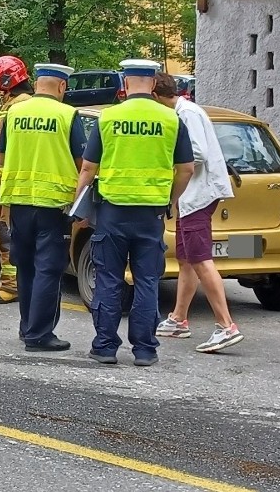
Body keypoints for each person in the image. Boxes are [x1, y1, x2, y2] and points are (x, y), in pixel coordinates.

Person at [75, 59, 195, 366]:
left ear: (125, 84)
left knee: (109, 279)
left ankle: (104, 346)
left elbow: (88, 167)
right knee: (146, 281)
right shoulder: (170, 119)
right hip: (150, 213)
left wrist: (79, 206)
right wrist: (170, 199)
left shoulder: (108, 117)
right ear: (154, 84)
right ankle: (144, 349)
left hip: (112, 212)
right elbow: (186, 169)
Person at [152, 72, 244, 352]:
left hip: (198, 195)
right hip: (192, 196)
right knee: (187, 259)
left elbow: (197, 154)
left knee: (201, 259)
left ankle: (226, 326)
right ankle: (179, 319)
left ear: (156, 95)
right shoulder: (185, 111)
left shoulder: (186, 115)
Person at [0, 63, 86, 350]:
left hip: (19, 201)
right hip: (53, 204)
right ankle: (40, 334)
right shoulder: (67, 114)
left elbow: (1, 155)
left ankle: (26, 328)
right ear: (62, 87)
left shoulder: (14, 113)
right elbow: (80, 163)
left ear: (37, 84)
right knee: (49, 269)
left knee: (26, 267)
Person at [0, 55, 34, 305]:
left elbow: (2, 150)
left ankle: (11, 285)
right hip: (6, 182)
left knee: (6, 235)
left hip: (7, 183)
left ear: (7, 79)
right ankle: (14, 282)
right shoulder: (17, 103)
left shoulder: (17, 107)